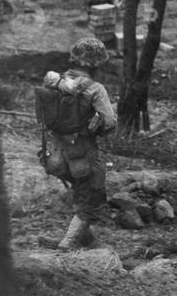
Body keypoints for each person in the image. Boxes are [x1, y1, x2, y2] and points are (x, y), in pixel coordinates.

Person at [34, 38, 116, 251]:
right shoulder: (95, 89)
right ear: (97, 64)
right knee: (91, 199)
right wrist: (95, 128)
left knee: (80, 192)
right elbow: (110, 122)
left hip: (56, 158)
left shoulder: (57, 82)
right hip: (83, 156)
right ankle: (68, 243)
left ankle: (85, 239)